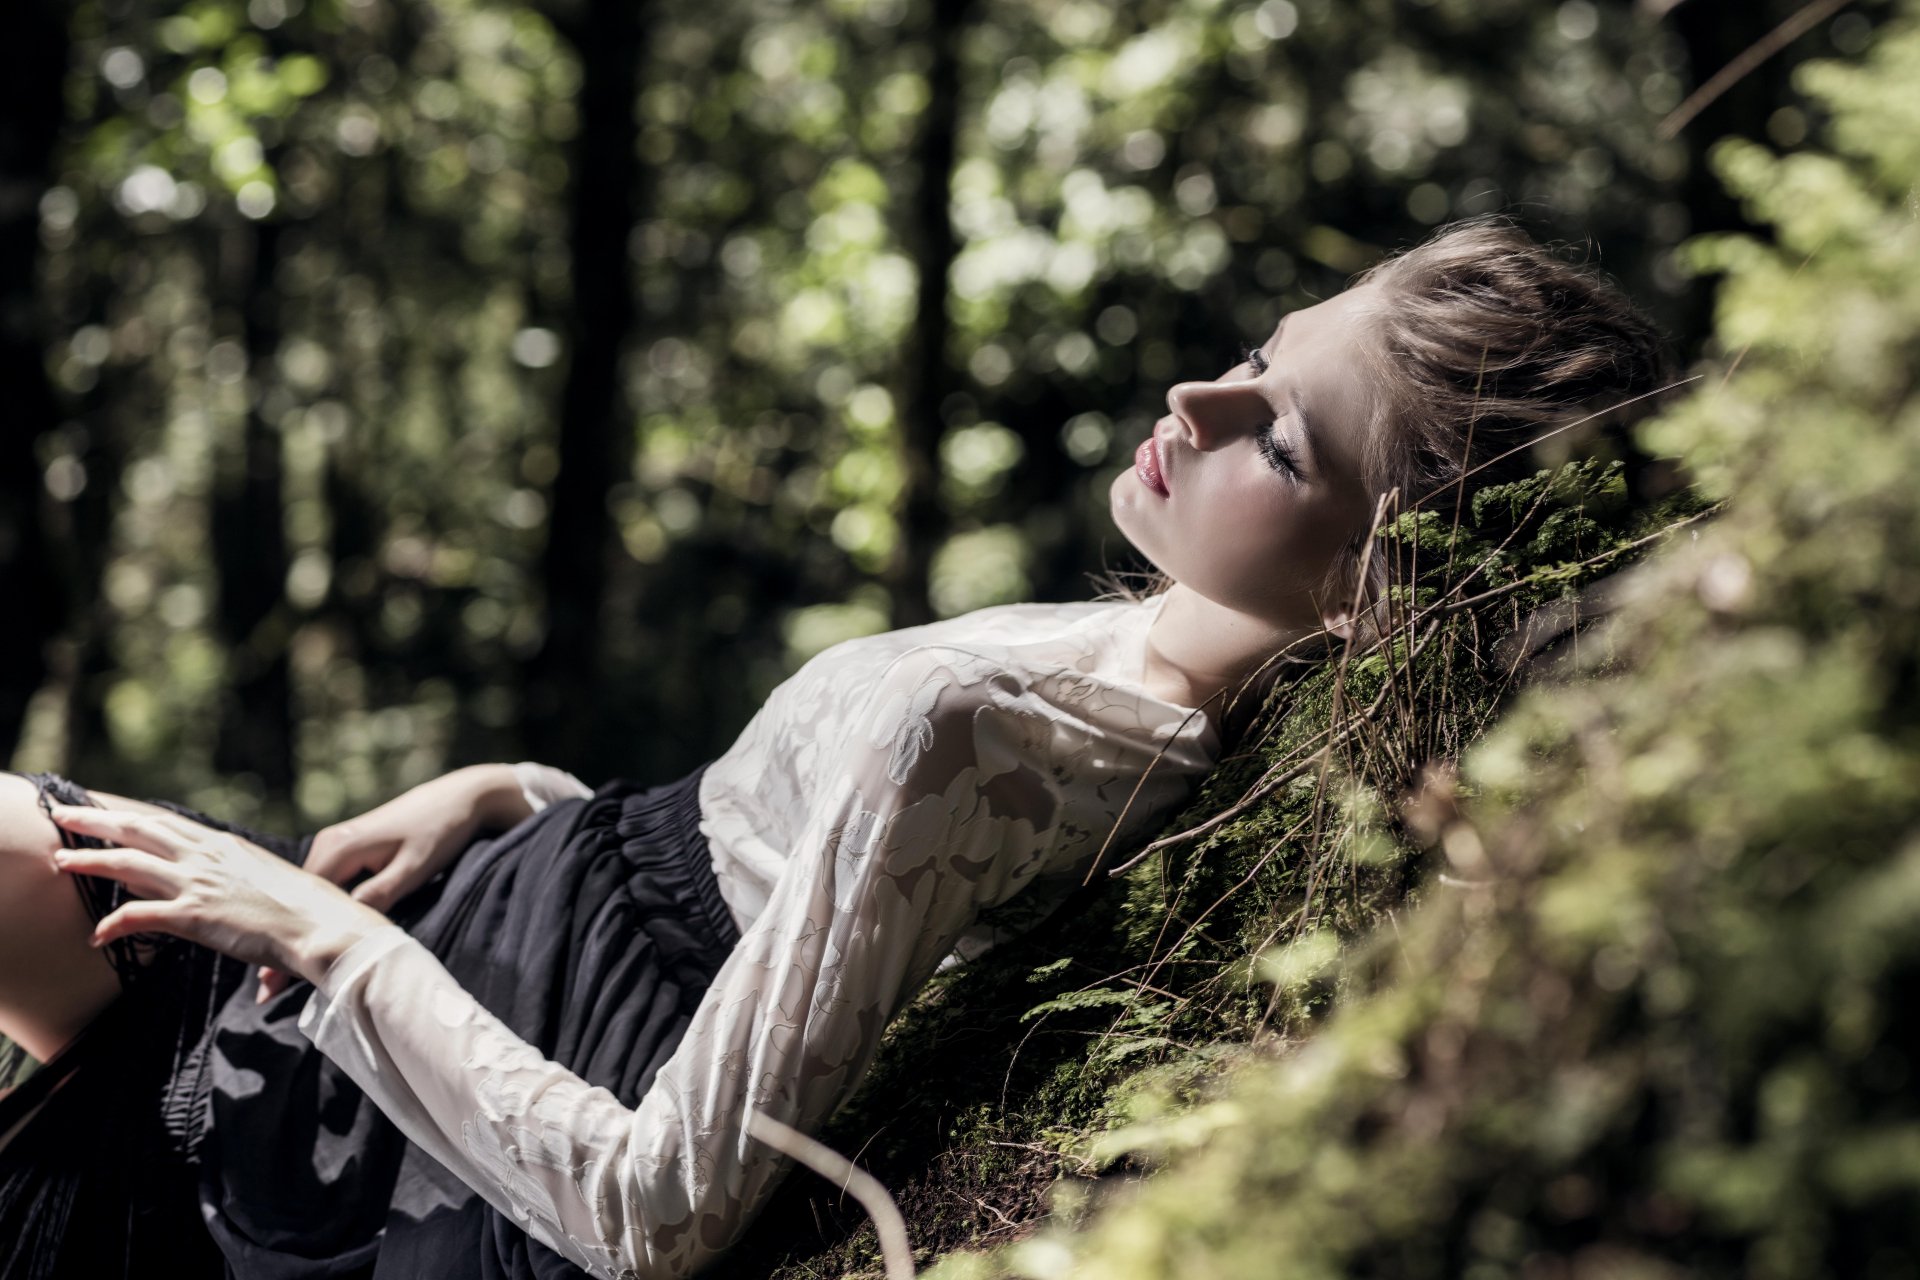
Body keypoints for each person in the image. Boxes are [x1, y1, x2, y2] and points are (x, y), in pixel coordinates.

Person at [0, 219, 1668, 1279]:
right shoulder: (1120, 645)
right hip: (486, 923)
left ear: (1384, 591)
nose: (1197, 396)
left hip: (460, 1074)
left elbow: (653, 1213)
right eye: (1255, 356)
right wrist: (514, 793)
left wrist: (320, 934)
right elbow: (769, 867)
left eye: (1282, 440)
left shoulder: (1004, 734)